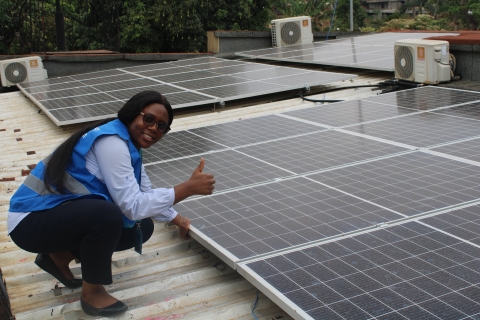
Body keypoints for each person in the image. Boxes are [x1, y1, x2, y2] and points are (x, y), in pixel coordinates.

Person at [7, 91, 215, 317]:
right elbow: (132, 206)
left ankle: (58, 257)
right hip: (29, 221)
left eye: (162, 126)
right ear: (132, 114)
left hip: (51, 217)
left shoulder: (128, 145)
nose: (154, 128)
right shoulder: (112, 143)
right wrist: (187, 188)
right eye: (149, 119)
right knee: (108, 214)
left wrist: (177, 219)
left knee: (141, 227)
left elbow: (145, 193)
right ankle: (92, 292)